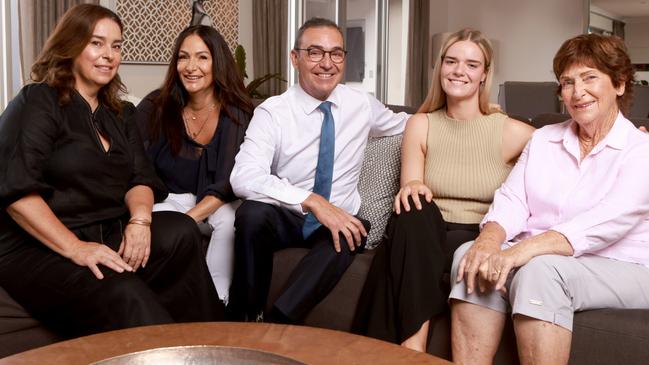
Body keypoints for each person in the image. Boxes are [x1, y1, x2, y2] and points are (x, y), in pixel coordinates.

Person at [0, 4, 222, 338]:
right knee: (123, 292)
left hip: (106, 229)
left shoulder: (121, 112)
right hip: (39, 245)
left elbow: (141, 179)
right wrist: (76, 248)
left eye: (116, 46)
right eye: (96, 43)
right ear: (71, 46)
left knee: (180, 230)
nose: (109, 55)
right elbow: (17, 192)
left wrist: (140, 222)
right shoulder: (38, 101)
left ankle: (212, 342)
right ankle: (167, 346)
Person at [449, 33, 649, 365]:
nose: (577, 92)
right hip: (546, 258)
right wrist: (489, 240)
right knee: (468, 255)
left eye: (589, 78)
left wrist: (516, 253)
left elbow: (604, 222)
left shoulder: (641, 152)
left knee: (542, 271)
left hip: (626, 266)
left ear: (619, 84)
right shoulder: (543, 139)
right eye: (567, 82)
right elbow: (513, 198)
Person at [353, 28, 534, 352]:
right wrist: (413, 185)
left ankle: (395, 350)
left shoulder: (510, 130)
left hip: (477, 235)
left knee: (399, 247)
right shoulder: (421, 124)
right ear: (440, 68)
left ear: (484, 75)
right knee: (412, 208)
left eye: (471, 64)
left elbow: (568, 142)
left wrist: (635, 132)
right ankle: (415, 347)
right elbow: (410, 184)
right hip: (424, 231)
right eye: (451, 61)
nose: (459, 71)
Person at [228, 17, 409, 323]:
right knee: (252, 215)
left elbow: (409, 123)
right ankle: (247, 314)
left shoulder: (361, 105)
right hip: (290, 216)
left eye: (336, 53)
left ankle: (277, 321)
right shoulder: (273, 112)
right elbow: (243, 177)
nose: (327, 63)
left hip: (338, 219)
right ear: (295, 58)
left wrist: (478, 111)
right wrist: (312, 201)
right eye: (315, 52)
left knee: (353, 232)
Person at [136, 25, 252, 306]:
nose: (191, 67)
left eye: (202, 57)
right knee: (145, 222)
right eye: (183, 57)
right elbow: (137, 166)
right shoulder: (156, 105)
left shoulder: (235, 112)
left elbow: (226, 183)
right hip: (167, 198)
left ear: (217, 63)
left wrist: (186, 222)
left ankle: (216, 301)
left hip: (218, 201)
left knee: (230, 219)